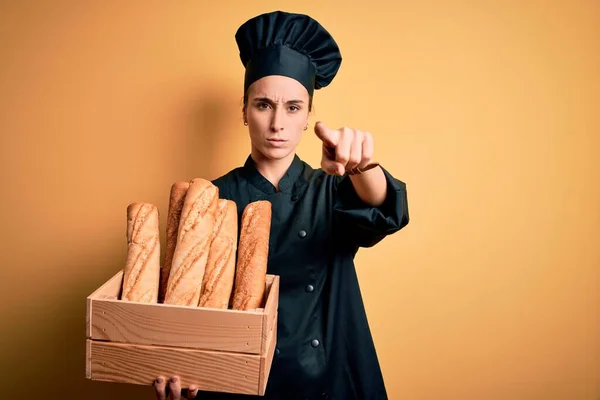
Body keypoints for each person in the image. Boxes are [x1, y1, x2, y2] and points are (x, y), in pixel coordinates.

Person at [153, 10, 409, 400]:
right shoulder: (210, 198)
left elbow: (382, 210)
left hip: (328, 381)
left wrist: (361, 165)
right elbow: (185, 308)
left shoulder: (332, 189)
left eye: (293, 107)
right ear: (243, 110)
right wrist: (181, 371)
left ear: (308, 117)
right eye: (263, 105)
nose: (277, 124)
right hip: (238, 384)